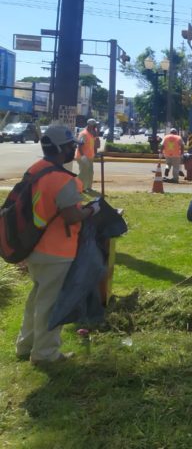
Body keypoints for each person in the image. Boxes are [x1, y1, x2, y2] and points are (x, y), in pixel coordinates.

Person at [15, 125, 101, 365]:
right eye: (70, 146)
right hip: (57, 251)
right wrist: (91, 210)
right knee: (50, 305)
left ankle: (25, 345)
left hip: (33, 246)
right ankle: (45, 355)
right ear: (60, 149)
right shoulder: (63, 180)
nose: (73, 149)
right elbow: (72, 216)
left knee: (35, 300)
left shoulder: (36, 170)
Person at [74, 119, 99, 195]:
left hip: (90, 157)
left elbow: (96, 145)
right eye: (94, 125)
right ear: (90, 125)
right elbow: (80, 146)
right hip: (82, 157)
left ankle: (87, 188)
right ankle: (76, 187)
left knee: (90, 173)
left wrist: (96, 135)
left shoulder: (91, 134)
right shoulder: (84, 134)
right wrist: (83, 156)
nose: (95, 127)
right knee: (83, 173)